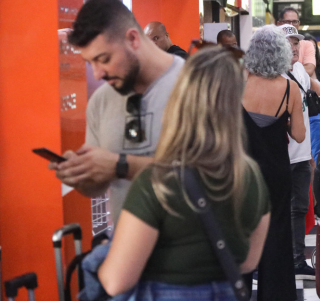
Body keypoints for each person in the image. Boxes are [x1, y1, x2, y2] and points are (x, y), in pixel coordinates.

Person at [98, 47, 270, 300]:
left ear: (179, 100)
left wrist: (109, 252)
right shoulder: (249, 174)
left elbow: (116, 281)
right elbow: (247, 262)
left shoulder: (157, 182)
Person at [49, 0, 184, 224]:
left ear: (132, 39)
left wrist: (119, 165)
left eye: (104, 59)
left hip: (192, 251)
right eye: (90, 62)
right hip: (127, 250)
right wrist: (81, 173)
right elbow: (96, 187)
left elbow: (210, 177)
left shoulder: (195, 86)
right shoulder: (100, 101)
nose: (97, 74)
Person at [242, 25, 306, 301]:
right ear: (281, 54)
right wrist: (286, 121)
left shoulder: (239, 82)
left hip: (243, 173)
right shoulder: (289, 88)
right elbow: (300, 135)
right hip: (277, 173)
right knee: (277, 234)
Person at [280, 25, 320, 280]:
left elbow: (315, 84)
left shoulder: (297, 69)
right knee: (278, 209)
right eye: (289, 42)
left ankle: (297, 260)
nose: (294, 47)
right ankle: (271, 262)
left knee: (300, 207)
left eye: (296, 42)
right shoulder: (272, 74)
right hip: (281, 155)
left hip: (300, 153)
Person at [277, 7, 316, 76]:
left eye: (295, 22)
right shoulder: (272, 45)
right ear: (279, 23)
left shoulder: (307, 44)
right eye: (287, 22)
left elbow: (309, 70)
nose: (291, 25)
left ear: (299, 23)